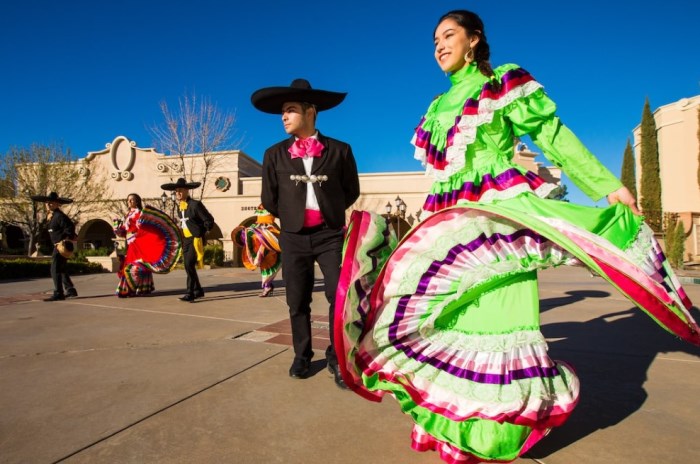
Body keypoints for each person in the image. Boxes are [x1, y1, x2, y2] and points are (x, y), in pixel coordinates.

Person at [334, 10, 700, 463]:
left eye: (449, 35)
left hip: (498, 222)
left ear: (474, 40)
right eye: (434, 41)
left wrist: (607, 185)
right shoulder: (436, 107)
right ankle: (453, 431)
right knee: (440, 325)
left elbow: (553, 135)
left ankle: (493, 437)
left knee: (498, 324)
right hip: (448, 229)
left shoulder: (500, 83)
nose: (440, 46)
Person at [252, 78, 360, 388]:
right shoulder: (274, 154)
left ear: (310, 112)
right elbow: (270, 198)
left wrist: (329, 212)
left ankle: (336, 356)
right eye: (282, 112)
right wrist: (290, 219)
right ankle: (301, 354)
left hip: (330, 234)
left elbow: (350, 191)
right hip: (293, 236)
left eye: (290, 110)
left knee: (337, 296)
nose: (283, 117)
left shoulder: (340, 150)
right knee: (297, 299)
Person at [113, 193, 182, 298]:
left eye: (132, 200)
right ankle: (142, 288)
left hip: (139, 243)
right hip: (131, 245)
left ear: (137, 201)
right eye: (128, 200)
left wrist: (138, 225)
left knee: (136, 266)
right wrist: (118, 230)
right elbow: (124, 232)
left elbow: (142, 227)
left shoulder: (140, 213)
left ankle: (129, 289)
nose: (129, 202)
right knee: (134, 265)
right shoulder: (127, 215)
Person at [160, 178, 214, 302]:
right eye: (176, 191)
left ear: (186, 191)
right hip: (186, 240)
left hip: (195, 239)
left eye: (180, 190)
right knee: (188, 266)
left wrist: (203, 231)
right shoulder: (180, 207)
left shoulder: (195, 205)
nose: (177, 193)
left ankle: (190, 292)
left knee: (189, 264)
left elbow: (209, 219)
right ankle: (198, 290)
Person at [30, 191, 78, 301]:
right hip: (57, 245)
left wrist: (64, 238)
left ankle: (59, 293)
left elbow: (70, 228)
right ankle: (70, 289)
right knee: (61, 269)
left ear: (57, 204)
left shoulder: (59, 216)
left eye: (51, 203)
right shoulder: (52, 216)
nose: (49, 204)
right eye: (47, 203)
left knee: (54, 269)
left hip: (60, 246)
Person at [231, 204, 281, 298]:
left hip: (268, 232)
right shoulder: (264, 205)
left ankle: (267, 286)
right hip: (260, 231)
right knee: (264, 264)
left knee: (267, 262)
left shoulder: (274, 204)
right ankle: (267, 286)